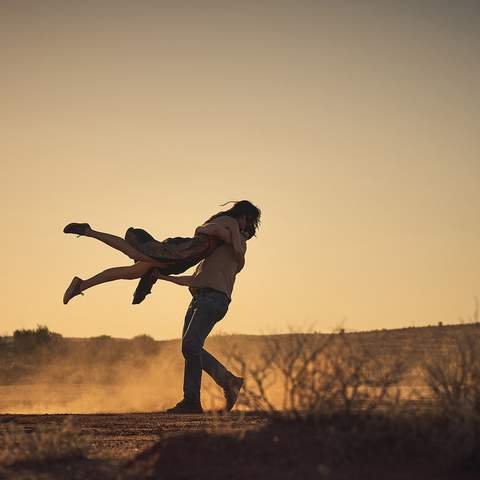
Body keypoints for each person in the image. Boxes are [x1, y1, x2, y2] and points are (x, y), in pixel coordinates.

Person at [156, 204, 260, 414]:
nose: (244, 226)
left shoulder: (237, 247)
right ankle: (216, 387)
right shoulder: (214, 255)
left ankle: (199, 397)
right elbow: (194, 279)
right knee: (190, 349)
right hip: (200, 298)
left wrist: (224, 227)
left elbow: (209, 230)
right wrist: (162, 277)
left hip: (213, 299)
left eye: (246, 224)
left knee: (191, 346)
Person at [62, 201, 260, 308]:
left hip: (182, 257)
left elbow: (210, 231)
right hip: (179, 252)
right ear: (243, 216)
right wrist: (234, 235)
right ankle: (89, 232)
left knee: (131, 272)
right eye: (248, 222)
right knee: (132, 252)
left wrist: (226, 235)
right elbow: (212, 232)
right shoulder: (232, 222)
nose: (246, 228)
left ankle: (82, 284)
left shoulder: (227, 225)